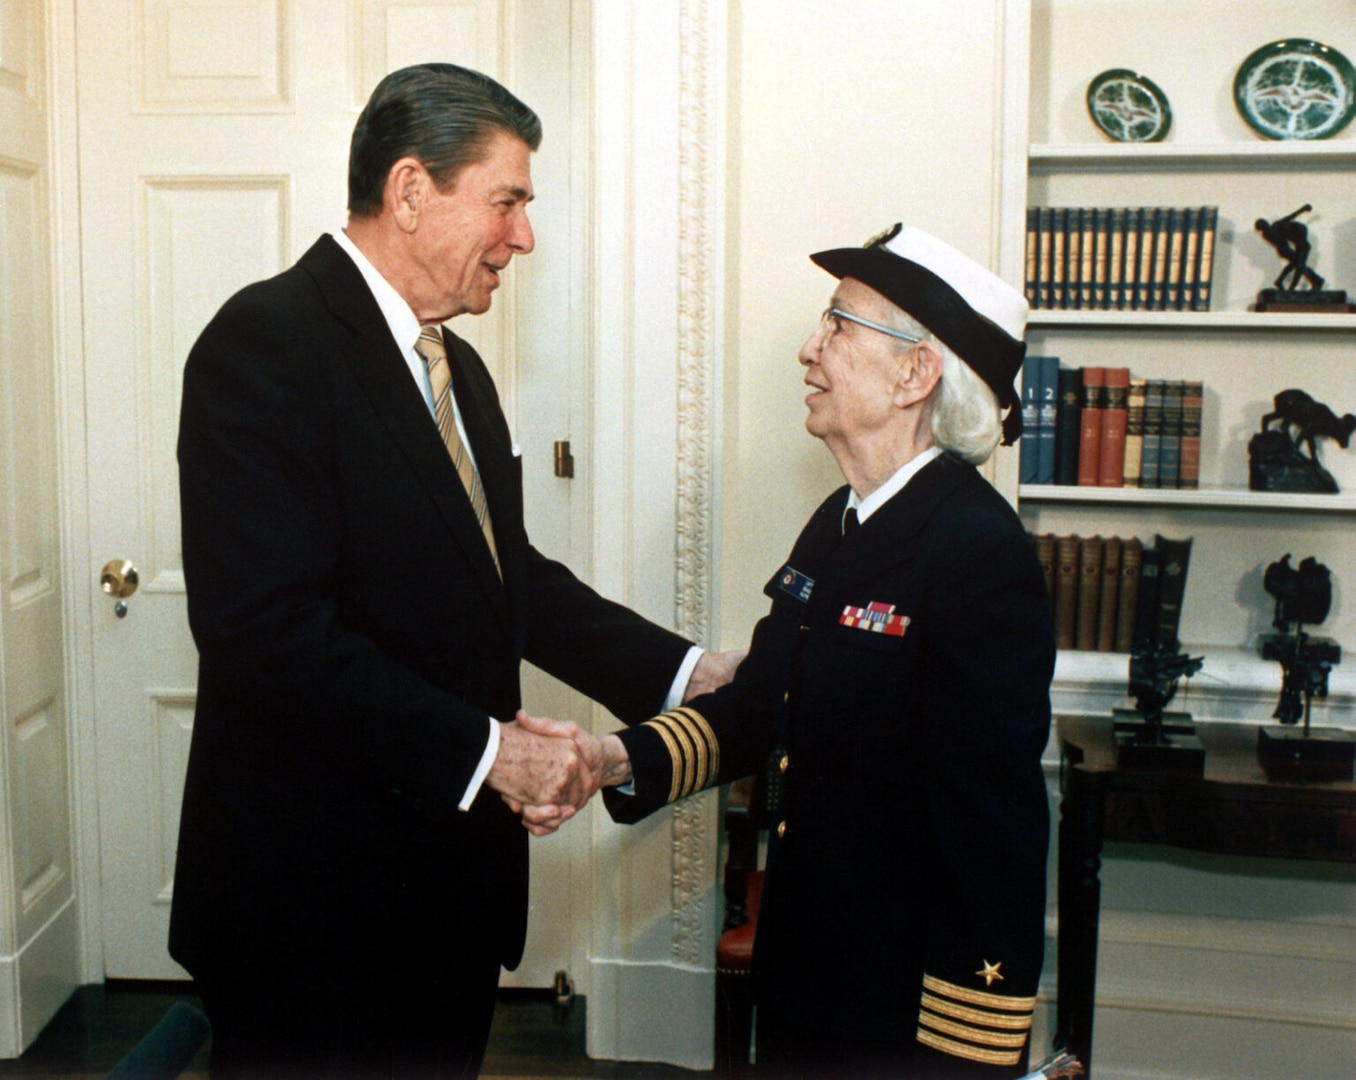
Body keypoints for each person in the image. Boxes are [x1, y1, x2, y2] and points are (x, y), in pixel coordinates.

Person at [171, 62, 737, 1079]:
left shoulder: (457, 366)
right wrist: (491, 753)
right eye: (507, 201)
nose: (524, 237)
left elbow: (507, 576)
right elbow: (264, 631)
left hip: (447, 899)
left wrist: (686, 674)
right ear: (409, 190)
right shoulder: (266, 342)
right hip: (311, 915)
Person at [550, 223, 1055, 1077]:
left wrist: (967, 1054)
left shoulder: (977, 552)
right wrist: (613, 760)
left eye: (838, 326)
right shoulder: (840, 521)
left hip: (897, 1017)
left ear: (915, 374)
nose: (808, 349)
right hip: (806, 976)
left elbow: (991, 830)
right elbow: (760, 707)